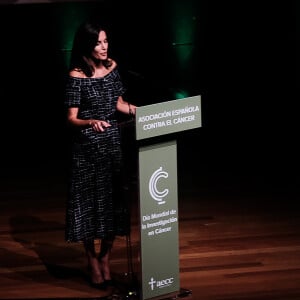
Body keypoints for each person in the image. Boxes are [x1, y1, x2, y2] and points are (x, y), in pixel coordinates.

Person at [63, 19, 137, 290]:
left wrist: (139, 111)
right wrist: (90, 121)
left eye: (106, 41)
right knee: (89, 207)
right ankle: (91, 259)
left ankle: (106, 257)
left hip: (112, 146)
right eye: (98, 42)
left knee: (113, 205)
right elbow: (71, 118)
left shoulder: (112, 67)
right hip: (86, 151)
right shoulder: (76, 75)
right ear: (86, 44)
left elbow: (118, 104)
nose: (104, 47)